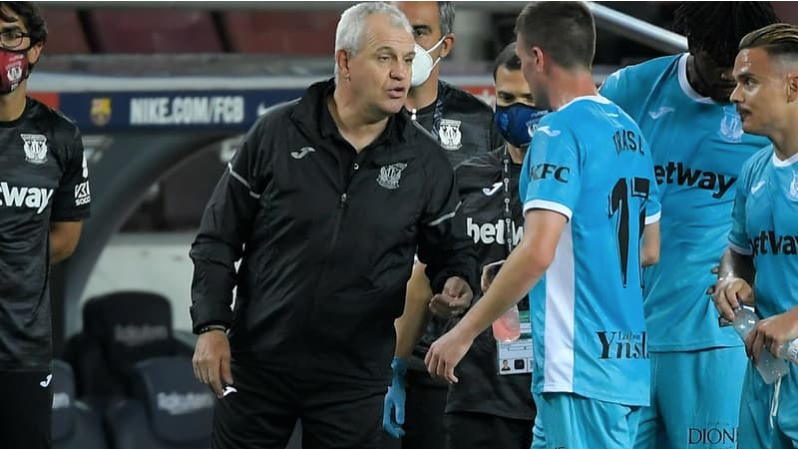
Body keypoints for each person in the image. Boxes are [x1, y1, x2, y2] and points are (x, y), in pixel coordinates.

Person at [189, 3, 476, 449]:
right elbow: (217, 239)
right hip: (258, 366)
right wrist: (210, 327)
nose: (401, 73)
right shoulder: (275, 134)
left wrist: (457, 281)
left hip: (354, 380)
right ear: (344, 60)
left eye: (406, 59)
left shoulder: (425, 161)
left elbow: (451, 253)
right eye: (385, 58)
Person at [425, 2, 661, 449]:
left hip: (578, 365)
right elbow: (648, 249)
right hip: (624, 362)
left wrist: (462, 332)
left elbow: (537, 251)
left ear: (537, 57)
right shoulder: (630, 131)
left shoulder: (556, 133)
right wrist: (522, 277)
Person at [598, 3, 779, 448]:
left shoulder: (768, 116)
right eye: (719, 67)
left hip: (714, 343)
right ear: (693, 44)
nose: (729, 82)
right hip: (624, 342)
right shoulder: (629, 91)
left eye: (739, 71)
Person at [382, 2, 503, 448]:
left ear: (445, 44)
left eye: (418, 30)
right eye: (396, 29)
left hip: (448, 353)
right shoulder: (356, 118)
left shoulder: (480, 122)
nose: (405, 42)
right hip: (362, 347)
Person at [0, 2, 91, 449]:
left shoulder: (60, 136)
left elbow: (67, 238)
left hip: (24, 352)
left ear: (33, 50)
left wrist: (14, 260)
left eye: (8, 35)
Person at [712, 22, 798, 449]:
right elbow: (738, 253)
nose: (734, 95)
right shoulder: (754, 171)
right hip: (767, 378)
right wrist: (731, 281)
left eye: (749, 82)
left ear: (792, 86)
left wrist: (795, 319)